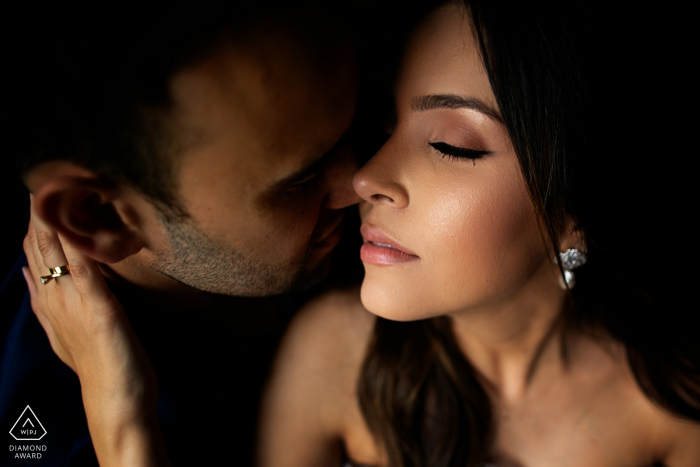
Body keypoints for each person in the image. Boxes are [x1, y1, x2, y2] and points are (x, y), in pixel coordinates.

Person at [20, 0, 700, 466]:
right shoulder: (332, 352)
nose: (364, 177)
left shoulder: (671, 399)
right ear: (100, 217)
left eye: (453, 145)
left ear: (579, 194)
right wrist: (121, 417)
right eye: (382, 122)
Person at [3, 2, 359, 465]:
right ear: (100, 217)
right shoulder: (45, 430)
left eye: (356, 123)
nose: (364, 183)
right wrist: (125, 427)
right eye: (302, 180)